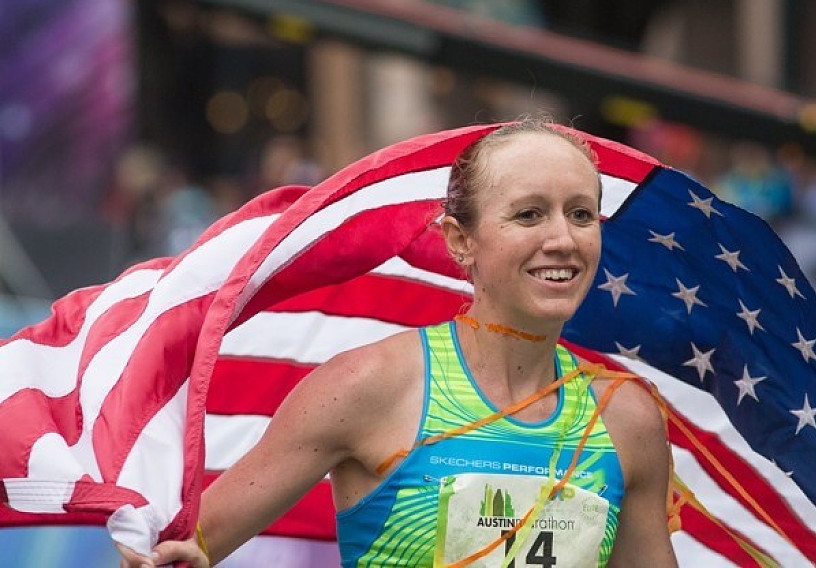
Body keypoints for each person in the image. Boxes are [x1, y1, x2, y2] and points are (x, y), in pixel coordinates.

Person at [117, 120, 677, 567]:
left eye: (581, 214)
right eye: (529, 214)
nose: (562, 238)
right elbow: (188, 550)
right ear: (460, 240)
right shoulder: (367, 387)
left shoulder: (625, 418)